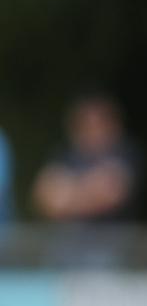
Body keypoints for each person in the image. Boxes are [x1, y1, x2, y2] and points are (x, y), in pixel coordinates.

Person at [32, 93, 140, 266]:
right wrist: (90, 189)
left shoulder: (126, 154)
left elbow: (109, 194)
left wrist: (68, 193)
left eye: (98, 124)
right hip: (64, 253)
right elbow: (44, 199)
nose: (93, 131)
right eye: (85, 125)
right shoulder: (64, 155)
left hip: (110, 252)